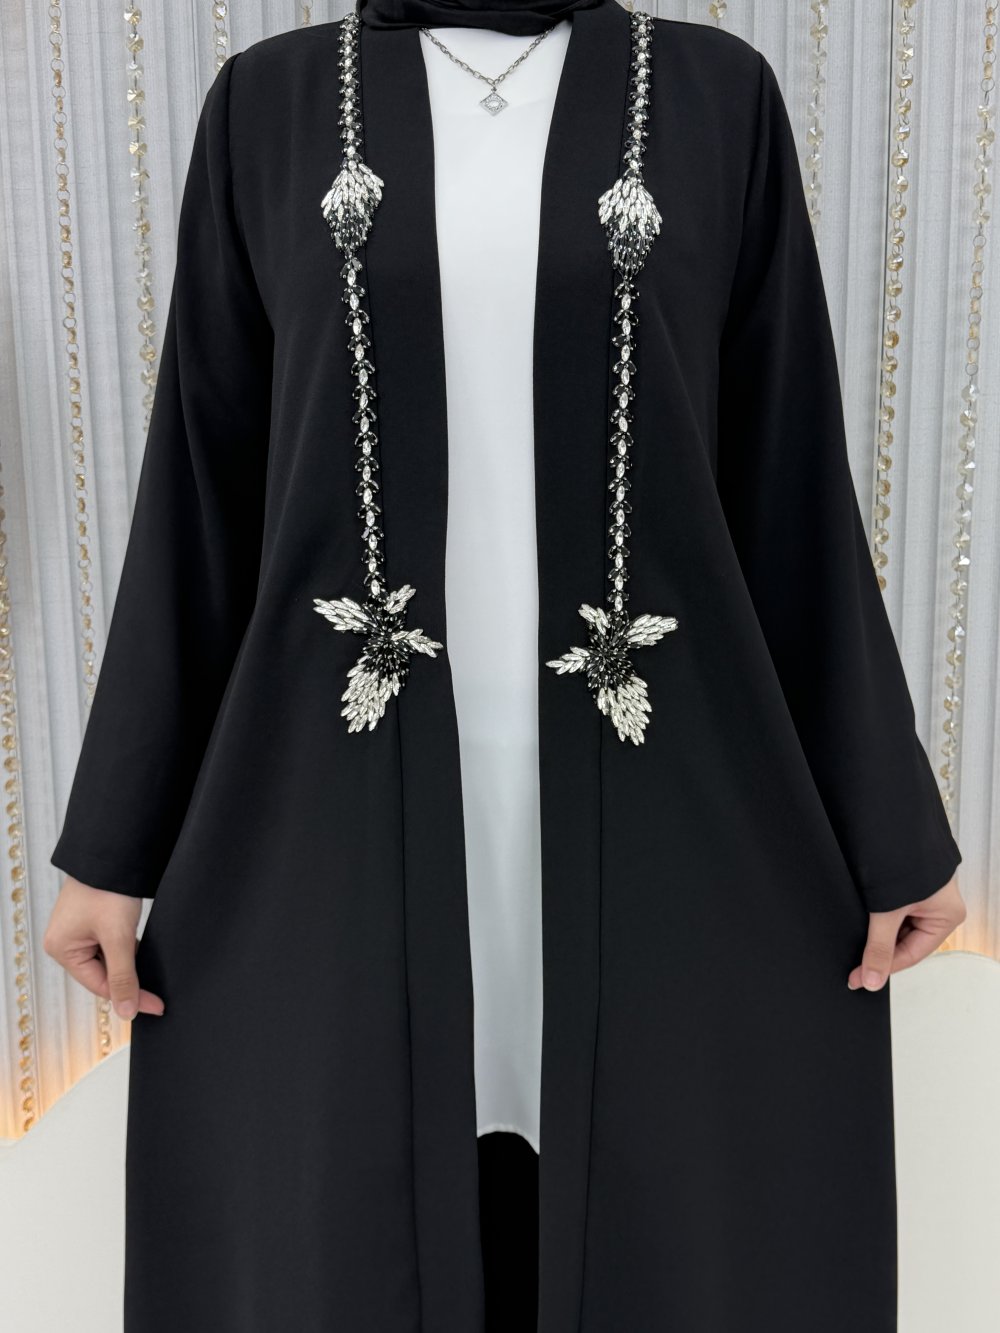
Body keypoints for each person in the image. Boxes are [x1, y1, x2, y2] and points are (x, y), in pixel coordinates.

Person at [44, 0, 966, 1328]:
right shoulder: (270, 108)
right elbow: (203, 484)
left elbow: (790, 479)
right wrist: (111, 848)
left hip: (665, 801)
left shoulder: (715, 99)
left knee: (666, 1220)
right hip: (336, 808)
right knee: (345, 1226)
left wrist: (889, 829)